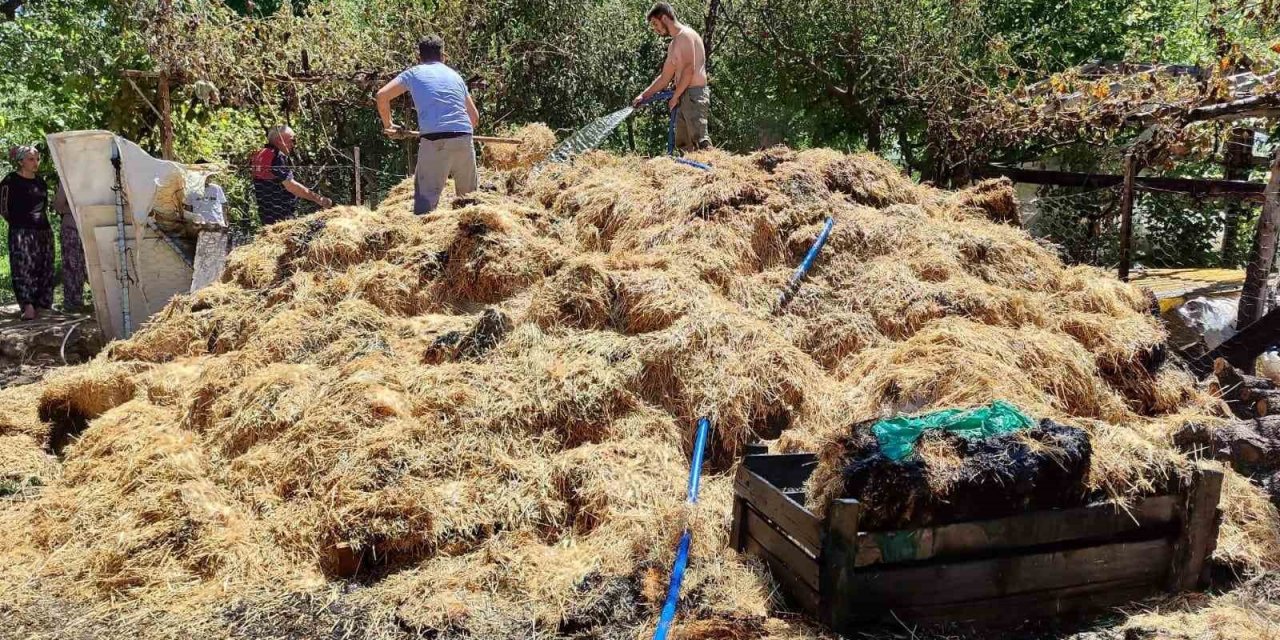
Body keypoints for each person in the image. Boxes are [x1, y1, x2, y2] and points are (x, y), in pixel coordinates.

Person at [376, 34, 480, 215]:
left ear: (419, 57)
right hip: (464, 137)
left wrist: (389, 125)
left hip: (434, 141)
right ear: (443, 56)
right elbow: (474, 117)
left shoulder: (414, 73)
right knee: (469, 205)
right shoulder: (455, 76)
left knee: (425, 207)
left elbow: (382, 96)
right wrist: (457, 135)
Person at [631, 2, 711, 152]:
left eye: (655, 23)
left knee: (701, 143)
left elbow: (689, 70)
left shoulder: (685, 35)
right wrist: (643, 95)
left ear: (665, 18)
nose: (655, 29)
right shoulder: (673, 44)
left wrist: (675, 96)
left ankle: (714, 173)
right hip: (683, 95)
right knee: (684, 147)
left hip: (694, 95)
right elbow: (664, 78)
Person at [1, 146, 55, 320]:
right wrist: (17, 224)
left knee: (45, 267)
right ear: (21, 161)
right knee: (23, 268)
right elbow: (3, 208)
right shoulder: (10, 181)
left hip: (43, 230)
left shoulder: (40, 182)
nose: (35, 163)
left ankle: (44, 305)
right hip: (21, 230)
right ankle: (28, 306)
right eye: (31, 159)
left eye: (37, 159)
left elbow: (43, 206)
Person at [250, 126, 332, 226]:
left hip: (266, 214)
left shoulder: (260, 154)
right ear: (280, 140)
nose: (294, 144)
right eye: (292, 140)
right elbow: (291, 186)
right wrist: (319, 199)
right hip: (281, 215)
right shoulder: (276, 156)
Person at [52, 181, 87, 312]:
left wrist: (71, 209)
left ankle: (73, 301)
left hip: (73, 225)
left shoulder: (67, 175)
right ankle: (75, 302)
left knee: (73, 266)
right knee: (75, 265)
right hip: (86, 224)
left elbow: (58, 205)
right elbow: (58, 205)